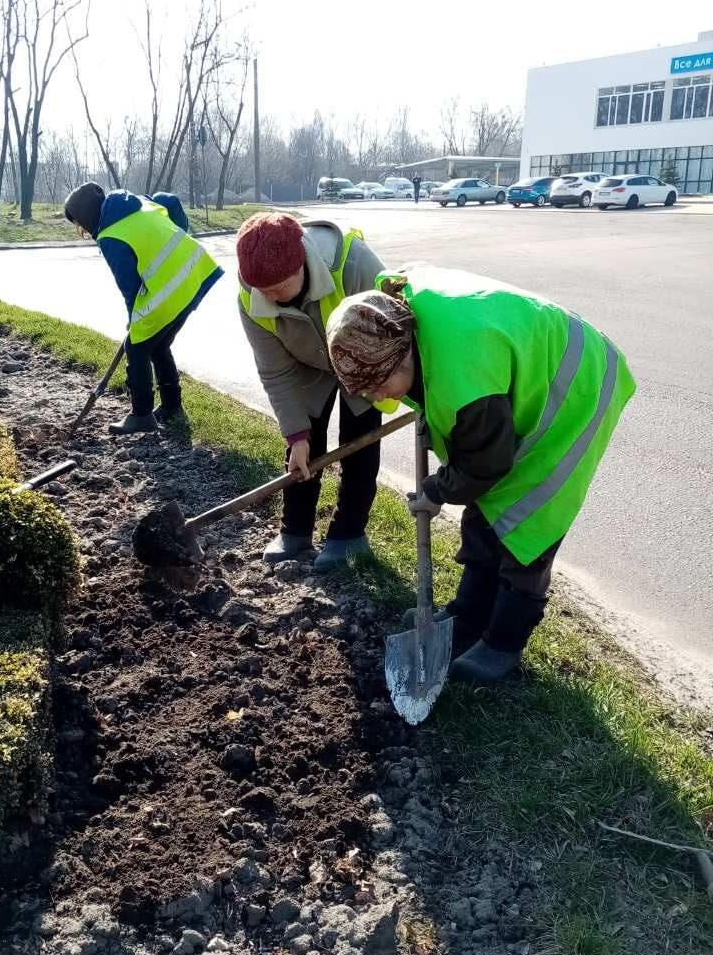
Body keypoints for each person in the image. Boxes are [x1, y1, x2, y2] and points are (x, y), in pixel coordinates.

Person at [325, 269, 636, 684]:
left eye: (379, 383)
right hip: (519, 373)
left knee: (529, 522)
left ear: (402, 355)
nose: (377, 396)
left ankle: (502, 643)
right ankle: (468, 614)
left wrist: (436, 489)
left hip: (575, 390)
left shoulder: (463, 379)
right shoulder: (400, 317)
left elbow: (485, 465)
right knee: (485, 507)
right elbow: (476, 461)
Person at [235, 211, 398, 571]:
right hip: (305, 364)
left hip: (364, 359)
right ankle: (294, 531)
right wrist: (296, 435)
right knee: (302, 448)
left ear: (301, 267)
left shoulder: (354, 265)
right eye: (264, 291)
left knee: (361, 441)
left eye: (278, 288)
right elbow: (275, 373)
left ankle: (348, 535)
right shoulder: (251, 297)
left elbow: (397, 326)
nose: (271, 298)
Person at [63, 182, 222, 434]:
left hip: (171, 288)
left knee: (136, 347)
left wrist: (134, 319)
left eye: (80, 224)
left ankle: (141, 415)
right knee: (158, 344)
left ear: (87, 216)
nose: (81, 229)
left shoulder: (110, 234)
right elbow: (170, 202)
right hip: (197, 272)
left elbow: (129, 285)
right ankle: (171, 407)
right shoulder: (137, 202)